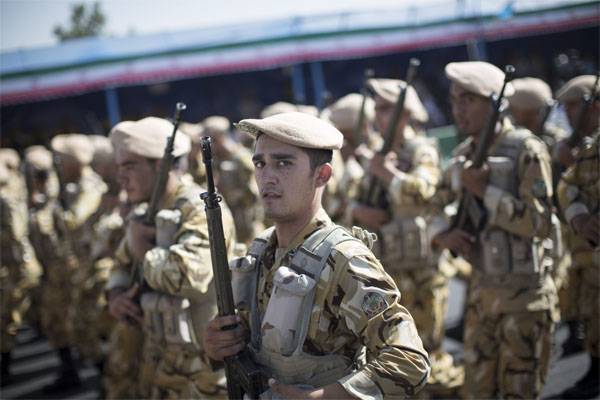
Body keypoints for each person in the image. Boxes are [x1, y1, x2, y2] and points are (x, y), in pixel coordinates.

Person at [203, 111, 430, 399]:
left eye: (283, 163)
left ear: (321, 175)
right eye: (260, 163)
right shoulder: (261, 251)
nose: (267, 176)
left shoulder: (343, 258)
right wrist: (217, 346)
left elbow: (409, 360)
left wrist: (326, 396)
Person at [430, 61, 558, 399]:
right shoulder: (462, 156)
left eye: (468, 100)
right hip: (481, 296)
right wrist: (443, 233)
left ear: (495, 102)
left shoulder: (526, 150)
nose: (458, 109)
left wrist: (484, 191)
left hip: (525, 300)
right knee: (476, 392)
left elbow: (540, 223)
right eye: (455, 100)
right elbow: (431, 206)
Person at [106, 116, 237, 398]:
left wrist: (143, 250)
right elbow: (120, 264)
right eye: (119, 167)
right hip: (162, 362)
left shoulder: (199, 209)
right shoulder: (144, 212)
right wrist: (116, 294)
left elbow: (189, 277)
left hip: (202, 370)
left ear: (160, 165)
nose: (121, 177)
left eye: (130, 166)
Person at [556, 77, 599, 399]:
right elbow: (568, 186)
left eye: (572, 105)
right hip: (588, 253)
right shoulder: (590, 148)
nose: (566, 113)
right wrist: (579, 215)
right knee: (593, 312)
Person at [0, 149, 42, 386]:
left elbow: (16, 234)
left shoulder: (7, 198)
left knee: (9, 318)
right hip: (13, 266)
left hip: (16, 267)